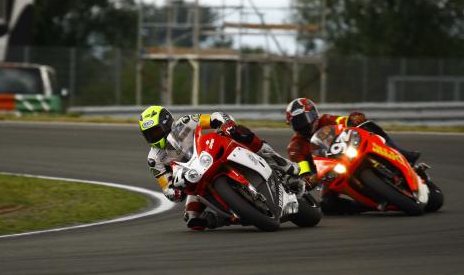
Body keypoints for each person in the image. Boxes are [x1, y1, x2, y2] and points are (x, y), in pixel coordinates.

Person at [140, 105, 302, 230]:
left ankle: (281, 162)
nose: (153, 137)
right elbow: (166, 188)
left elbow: (214, 117)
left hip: (208, 154)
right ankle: (226, 218)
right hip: (194, 178)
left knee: (240, 132)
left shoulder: (185, 122)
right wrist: (176, 189)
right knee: (192, 219)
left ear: (167, 123)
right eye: (149, 135)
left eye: (155, 132)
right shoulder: (154, 159)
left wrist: (226, 124)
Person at [284, 97, 421, 214]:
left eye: (305, 119)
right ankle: (364, 206)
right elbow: (303, 170)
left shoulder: (326, 119)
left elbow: (344, 122)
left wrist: (354, 119)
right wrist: (310, 179)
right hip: (328, 174)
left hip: (348, 153)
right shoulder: (295, 147)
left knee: (367, 125)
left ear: (314, 114)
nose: (303, 124)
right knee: (327, 205)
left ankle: (401, 153)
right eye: (297, 122)